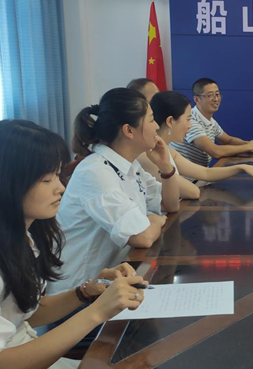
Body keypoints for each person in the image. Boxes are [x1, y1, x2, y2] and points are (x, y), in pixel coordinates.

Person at [0, 120, 146, 369]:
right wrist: (97, 311)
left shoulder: (15, 230)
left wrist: (85, 292)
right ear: (7, 183)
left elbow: (23, 314)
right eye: (47, 179)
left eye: (57, 175)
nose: (61, 187)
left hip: (26, 353)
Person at [49, 88, 180, 296]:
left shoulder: (129, 165)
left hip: (109, 283)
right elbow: (143, 237)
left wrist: (166, 167)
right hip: (77, 294)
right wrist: (155, 220)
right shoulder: (96, 172)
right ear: (129, 130)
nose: (157, 126)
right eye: (151, 119)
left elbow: (170, 204)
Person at [139, 91, 253, 198]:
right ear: (170, 121)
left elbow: (206, 173)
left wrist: (242, 167)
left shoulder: (166, 149)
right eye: (187, 119)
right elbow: (192, 192)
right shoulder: (149, 154)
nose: (190, 125)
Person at [172, 78, 253, 169]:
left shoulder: (210, 121)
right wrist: (248, 147)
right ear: (197, 99)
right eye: (210, 95)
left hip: (200, 173)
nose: (215, 99)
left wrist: (248, 144)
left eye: (217, 94)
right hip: (185, 176)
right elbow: (215, 151)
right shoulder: (191, 120)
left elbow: (228, 140)